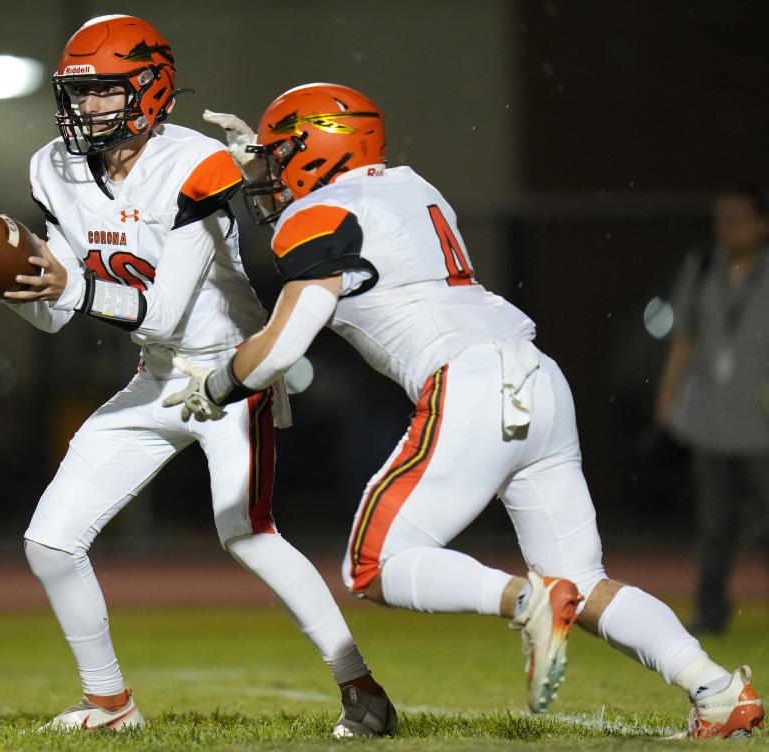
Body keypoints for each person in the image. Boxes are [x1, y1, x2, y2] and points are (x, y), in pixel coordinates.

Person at [167, 83, 766, 738]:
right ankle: (715, 690)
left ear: (318, 149)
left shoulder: (319, 215)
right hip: (537, 375)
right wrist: (253, 164)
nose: (271, 174)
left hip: (470, 381)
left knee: (374, 565)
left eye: (281, 155)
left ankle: (524, 601)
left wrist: (220, 383)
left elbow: (284, 343)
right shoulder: (415, 188)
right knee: (582, 581)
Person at [0, 18, 396, 736]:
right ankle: (110, 704)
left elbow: (166, 314)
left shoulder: (197, 164)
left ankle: (361, 689)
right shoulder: (50, 167)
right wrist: (15, 286)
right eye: (77, 94)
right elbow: (55, 318)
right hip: (157, 378)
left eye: (101, 94)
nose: (83, 110)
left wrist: (68, 287)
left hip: (229, 373)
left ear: (150, 91)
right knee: (50, 542)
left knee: (248, 533)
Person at [655, 187, 769, 636]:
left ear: (762, 224)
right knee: (714, 527)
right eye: (722, 218)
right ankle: (710, 612)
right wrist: (666, 398)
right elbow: (684, 337)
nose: (727, 228)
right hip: (710, 421)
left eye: (739, 218)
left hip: (762, 426)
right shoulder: (701, 268)